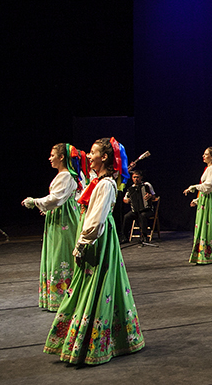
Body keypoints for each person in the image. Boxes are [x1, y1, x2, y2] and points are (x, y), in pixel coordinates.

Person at [44, 137, 145, 365]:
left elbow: (96, 219)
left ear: (105, 157)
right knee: (87, 286)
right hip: (95, 239)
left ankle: (94, 341)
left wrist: (82, 243)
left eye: (93, 152)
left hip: (97, 241)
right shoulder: (99, 182)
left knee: (97, 286)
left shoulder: (106, 185)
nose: (88, 156)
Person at [22, 143, 83, 312]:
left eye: (52, 155)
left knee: (60, 253)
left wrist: (35, 202)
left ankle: (65, 297)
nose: (50, 158)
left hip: (63, 221)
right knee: (57, 252)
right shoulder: (67, 175)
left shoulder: (65, 176)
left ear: (61, 157)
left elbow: (56, 199)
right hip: (61, 215)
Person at [184, 147, 212, 265]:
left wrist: (194, 187)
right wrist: (197, 200)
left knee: (208, 224)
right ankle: (205, 253)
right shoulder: (209, 168)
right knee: (203, 224)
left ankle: (209, 253)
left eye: (206, 154)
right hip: (205, 200)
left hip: (210, 200)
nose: (203, 156)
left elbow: (209, 186)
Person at [122, 170, 157, 245]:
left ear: (141, 177)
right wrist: (127, 200)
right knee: (126, 217)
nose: (136, 179)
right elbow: (124, 199)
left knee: (143, 215)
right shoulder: (131, 189)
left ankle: (144, 237)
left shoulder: (146, 185)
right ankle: (125, 237)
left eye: (137, 177)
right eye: (134, 177)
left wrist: (150, 196)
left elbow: (154, 197)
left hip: (147, 210)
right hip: (136, 210)